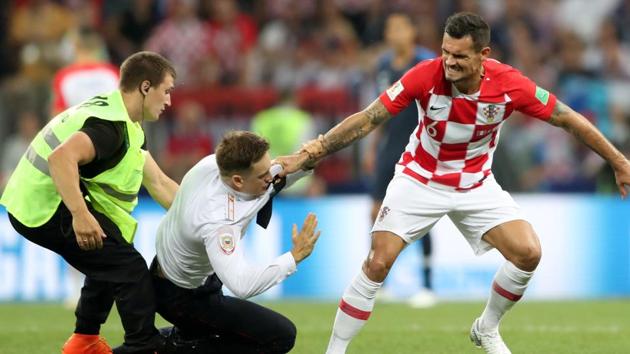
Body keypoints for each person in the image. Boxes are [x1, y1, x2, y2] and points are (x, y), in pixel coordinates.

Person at [276, 12, 630, 354]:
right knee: (377, 263)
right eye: (445, 52)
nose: (449, 62)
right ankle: (335, 351)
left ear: (483, 55)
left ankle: (486, 328)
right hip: (419, 178)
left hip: (475, 182)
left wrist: (618, 161)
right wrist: (314, 151)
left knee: (528, 253)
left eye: (459, 56)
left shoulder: (510, 84)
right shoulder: (424, 75)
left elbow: (567, 118)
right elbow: (369, 118)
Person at [0, 51, 179, 354]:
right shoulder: (109, 126)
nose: (170, 101)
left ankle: (84, 341)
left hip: (41, 197)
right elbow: (61, 159)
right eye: (167, 90)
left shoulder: (126, 122)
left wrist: (205, 215)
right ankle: (144, 345)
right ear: (146, 87)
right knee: (130, 267)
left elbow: (160, 183)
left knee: (111, 250)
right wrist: (80, 214)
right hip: (43, 205)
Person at [152, 130, 321, 353]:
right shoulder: (219, 221)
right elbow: (243, 285)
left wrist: (307, 162)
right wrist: (295, 256)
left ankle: (170, 342)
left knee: (220, 334)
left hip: (185, 275)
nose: (270, 177)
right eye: (264, 175)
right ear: (238, 181)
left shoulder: (215, 165)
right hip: (182, 297)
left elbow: (272, 178)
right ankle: (165, 347)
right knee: (280, 335)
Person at [362, 12, 436, 307]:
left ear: (412, 31)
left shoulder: (426, 62)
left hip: (421, 148)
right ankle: (382, 282)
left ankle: (428, 285)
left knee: (425, 216)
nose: (394, 34)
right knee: (377, 212)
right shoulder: (382, 65)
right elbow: (380, 109)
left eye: (400, 28)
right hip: (390, 147)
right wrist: (372, 148)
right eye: (390, 29)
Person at [51, 26, 120, 309]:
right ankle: (113, 283)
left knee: (74, 218)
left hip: (75, 153)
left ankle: (74, 289)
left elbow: (56, 118)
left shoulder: (65, 76)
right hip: (108, 151)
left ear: (77, 48)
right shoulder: (112, 73)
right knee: (111, 217)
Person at [51, 27, 119, 116]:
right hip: (110, 128)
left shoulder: (64, 77)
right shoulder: (113, 74)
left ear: (75, 46)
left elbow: (57, 116)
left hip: (77, 128)